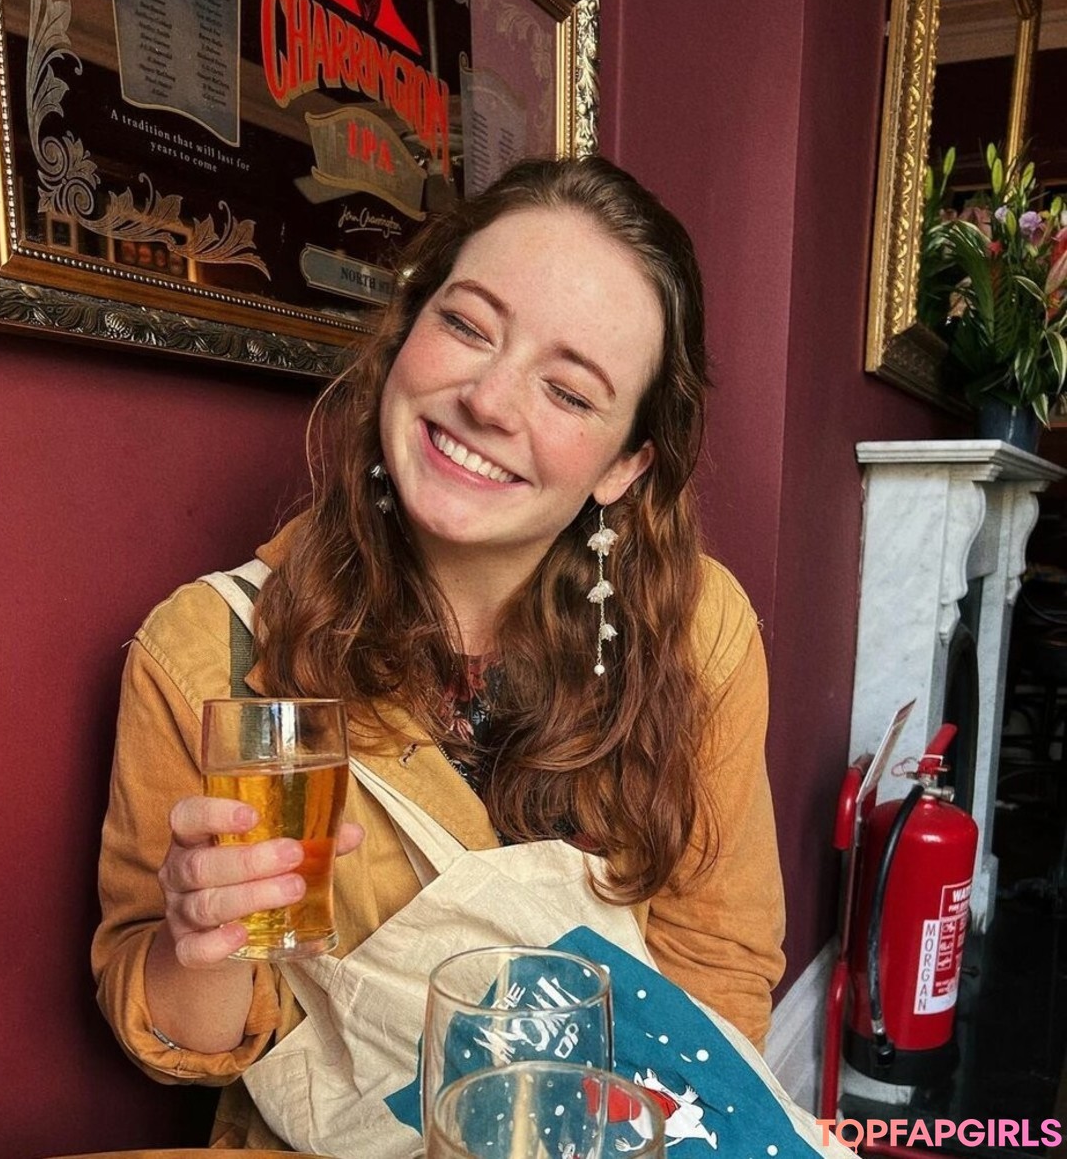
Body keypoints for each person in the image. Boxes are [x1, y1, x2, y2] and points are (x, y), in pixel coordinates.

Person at [92, 155, 785, 1150]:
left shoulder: (697, 630)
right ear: (406, 331)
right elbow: (190, 1047)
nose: (490, 399)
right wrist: (204, 938)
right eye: (466, 325)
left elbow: (719, 973)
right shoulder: (207, 652)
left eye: (569, 391)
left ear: (626, 465)